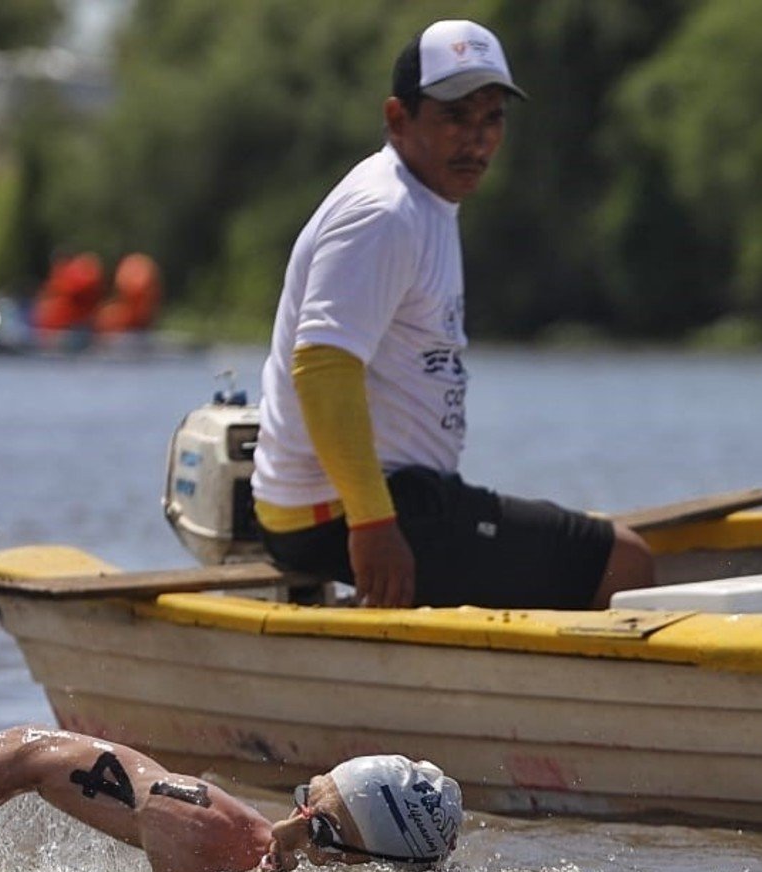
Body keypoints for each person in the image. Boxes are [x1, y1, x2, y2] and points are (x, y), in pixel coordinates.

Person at [251, 19, 654, 610]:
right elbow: (322, 369)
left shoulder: (422, 201)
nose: (477, 139)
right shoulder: (384, 213)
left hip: (381, 500)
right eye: (455, 116)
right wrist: (373, 525)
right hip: (345, 512)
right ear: (398, 119)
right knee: (625, 561)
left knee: (586, 544)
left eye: (492, 118)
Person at [0, 725, 462, 872]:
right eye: (302, 801)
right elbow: (30, 753)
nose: (283, 832)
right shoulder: (205, 828)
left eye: (323, 832)